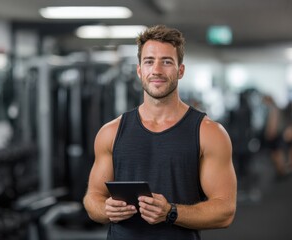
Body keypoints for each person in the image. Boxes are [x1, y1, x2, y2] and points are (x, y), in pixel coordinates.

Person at [83, 25, 237, 240]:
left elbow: (225, 211)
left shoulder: (209, 133)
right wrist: (105, 209)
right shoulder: (111, 132)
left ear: (180, 70)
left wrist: (170, 212)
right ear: (139, 70)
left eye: (166, 61)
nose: (156, 70)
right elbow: (93, 198)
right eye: (149, 61)